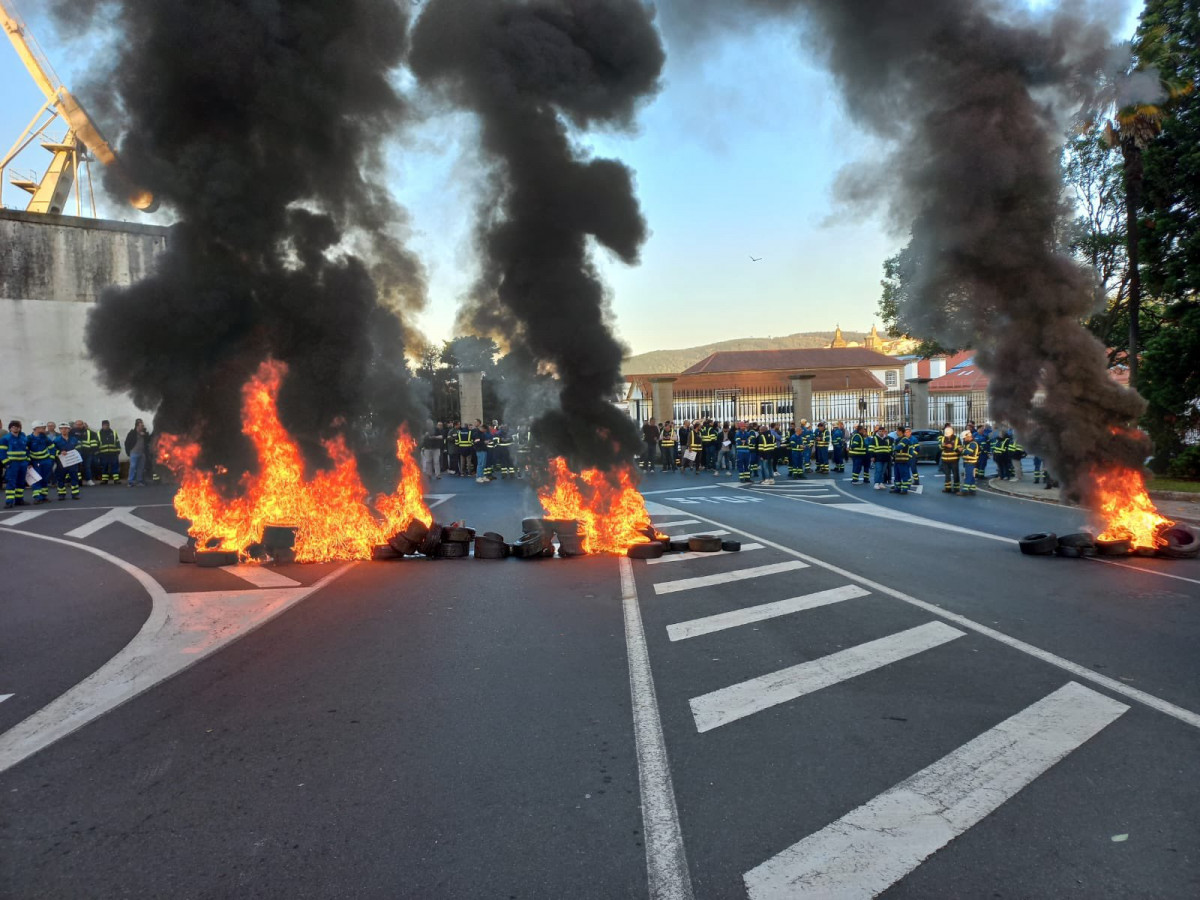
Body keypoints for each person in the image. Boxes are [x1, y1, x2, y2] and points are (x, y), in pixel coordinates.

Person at [1, 420, 30, 507]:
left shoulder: (23, 438)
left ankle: (19, 500)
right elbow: (2, 452)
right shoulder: (5, 439)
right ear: (10, 428)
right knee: (11, 482)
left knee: (21, 482)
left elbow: (27, 450)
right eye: (13, 427)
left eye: (17, 427)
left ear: (20, 428)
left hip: (22, 464)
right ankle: (9, 502)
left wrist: (27, 461)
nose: (15, 428)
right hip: (12, 464)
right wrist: (6, 463)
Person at [53, 422, 83, 500]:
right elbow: (52, 450)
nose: (64, 430)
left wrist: (76, 453)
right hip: (61, 463)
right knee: (61, 478)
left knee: (74, 478)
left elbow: (79, 448)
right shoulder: (56, 440)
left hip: (73, 462)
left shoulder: (74, 439)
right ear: (60, 430)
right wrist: (59, 452)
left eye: (66, 429)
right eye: (62, 429)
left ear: (69, 430)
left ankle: (75, 494)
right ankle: (61, 494)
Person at [27, 422, 55, 504]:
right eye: (42, 427)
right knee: (36, 479)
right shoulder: (29, 439)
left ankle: (43, 496)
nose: (44, 429)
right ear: (36, 428)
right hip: (35, 462)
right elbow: (26, 451)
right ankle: (37, 497)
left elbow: (52, 448)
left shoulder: (45, 438)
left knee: (45, 479)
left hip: (46, 461)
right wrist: (29, 462)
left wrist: (51, 460)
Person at [72, 420, 99, 486]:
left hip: (87, 453)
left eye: (80, 424)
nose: (78, 426)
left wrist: (93, 451)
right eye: (77, 424)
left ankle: (89, 480)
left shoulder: (90, 433)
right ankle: (78, 481)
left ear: (83, 425)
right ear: (75, 425)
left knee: (87, 467)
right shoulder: (71, 432)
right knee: (76, 467)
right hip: (76, 453)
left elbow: (94, 443)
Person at [124, 418, 150, 486]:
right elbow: (127, 443)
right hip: (134, 453)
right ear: (137, 426)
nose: (142, 426)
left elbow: (149, 440)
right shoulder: (132, 433)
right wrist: (128, 452)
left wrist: (144, 435)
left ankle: (139, 481)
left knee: (140, 468)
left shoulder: (145, 433)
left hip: (142, 453)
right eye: (141, 425)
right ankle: (130, 481)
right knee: (132, 467)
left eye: (142, 425)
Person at [891, 427, 916, 495]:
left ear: (901, 432)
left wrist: (893, 448)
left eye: (897, 431)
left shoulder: (905, 439)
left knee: (904, 475)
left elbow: (899, 447)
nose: (896, 432)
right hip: (897, 460)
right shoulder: (897, 439)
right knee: (897, 475)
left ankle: (905, 489)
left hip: (904, 460)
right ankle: (897, 488)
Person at [939, 425, 962, 493]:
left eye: (948, 435)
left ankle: (956, 488)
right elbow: (940, 447)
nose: (947, 436)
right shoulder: (943, 438)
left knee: (955, 474)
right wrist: (943, 446)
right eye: (946, 435)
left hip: (954, 459)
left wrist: (952, 447)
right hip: (945, 459)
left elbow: (959, 448)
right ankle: (947, 488)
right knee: (947, 474)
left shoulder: (957, 439)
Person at [97, 419, 121, 484]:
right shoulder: (99, 433)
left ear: (109, 425)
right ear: (102, 426)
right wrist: (98, 453)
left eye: (107, 425)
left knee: (115, 466)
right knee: (104, 466)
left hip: (113, 453)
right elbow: (97, 444)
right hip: (103, 453)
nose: (106, 426)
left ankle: (116, 480)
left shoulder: (113, 432)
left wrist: (118, 450)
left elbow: (117, 442)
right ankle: (105, 480)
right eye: (104, 425)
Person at [868, 426, 892, 490]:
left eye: (882, 431)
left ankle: (881, 483)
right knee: (878, 471)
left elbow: (889, 448)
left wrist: (890, 455)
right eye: (880, 431)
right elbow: (871, 448)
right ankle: (876, 483)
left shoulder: (887, 439)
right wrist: (872, 456)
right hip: (878, 457)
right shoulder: (874, 438)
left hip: (886, 457)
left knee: (883, 471)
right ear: (878, 432)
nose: (881, 432)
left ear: (884, 432)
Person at [960, 428, 980, 495]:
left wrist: (962, 450)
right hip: (970, 462)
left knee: (968, 476)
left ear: (968, 437)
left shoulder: (973, 444)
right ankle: (972, 489)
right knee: (971, 476)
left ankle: (964, 491)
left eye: (964, 438)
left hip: (970, 463)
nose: (964, 439)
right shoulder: (969, 443)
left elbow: (969, 452)